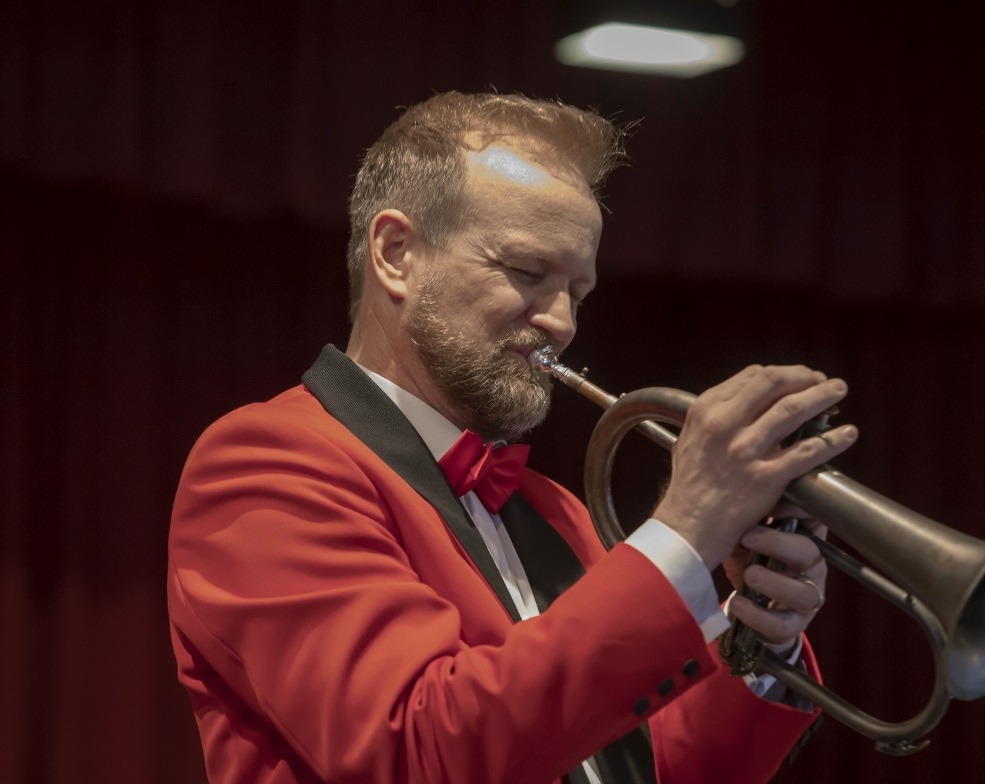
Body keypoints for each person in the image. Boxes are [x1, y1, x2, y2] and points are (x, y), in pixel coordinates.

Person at [167, 91, 858, 784]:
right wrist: (683, 534)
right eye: (528, 274)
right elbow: (417, 750)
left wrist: (759, 635)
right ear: (396, 254)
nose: (561, 322)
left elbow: (654, 770)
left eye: (577, 293)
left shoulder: (559, 513)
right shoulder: (266, 463)